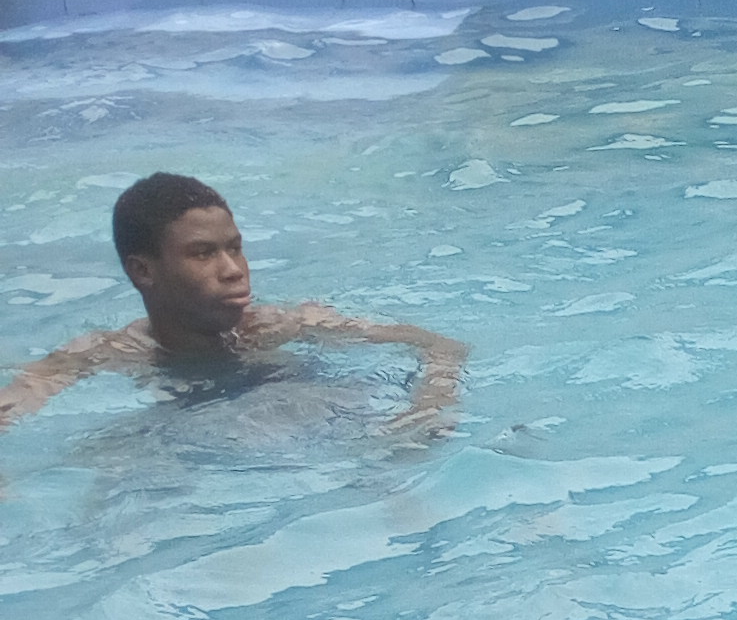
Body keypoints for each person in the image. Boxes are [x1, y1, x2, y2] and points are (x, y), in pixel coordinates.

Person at [0, 173, 467, 443]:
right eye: (203, 254)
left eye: (235, 248)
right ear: (143, 271)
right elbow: (12, 407)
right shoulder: (109, 352)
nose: (233, 270)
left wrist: (428, 408)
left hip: (334, 424)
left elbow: (440, 346)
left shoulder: (284, 325)